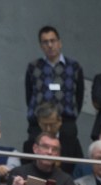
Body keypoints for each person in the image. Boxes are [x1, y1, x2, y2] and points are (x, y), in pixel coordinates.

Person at [24, 25, 84, 158]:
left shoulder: (74, 66)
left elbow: (79, 95)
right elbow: (29, 95)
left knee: (67, 157)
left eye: (53, 40)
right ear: (41, 45)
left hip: (66, 120)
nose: (50, 45)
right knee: (36, 157)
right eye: (45, 42)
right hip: (38, 121)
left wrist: (71, 113)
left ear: (60, 43)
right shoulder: (33, 66)